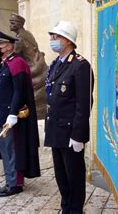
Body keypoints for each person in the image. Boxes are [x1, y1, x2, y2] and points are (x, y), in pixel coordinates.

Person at [0, 29, 40, 197]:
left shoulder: (17, 63)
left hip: (8, 116)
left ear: (8, 46)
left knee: (11, 150)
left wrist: (13, 113)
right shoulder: (3, 63)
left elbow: (19, 91)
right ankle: (10, 180)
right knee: (5, 151)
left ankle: (14, 183)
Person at [44, 21, 93, 214]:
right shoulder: (55, 64)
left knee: (74, 178)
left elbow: (84, 103)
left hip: (71, 133)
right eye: (52, 37)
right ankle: (66, 209)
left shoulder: (80, 66)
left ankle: (75, 210)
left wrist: (78, 135)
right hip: (56, 130)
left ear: (68, 41)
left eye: (55, 37)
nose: (52, 40)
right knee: (61, 178)